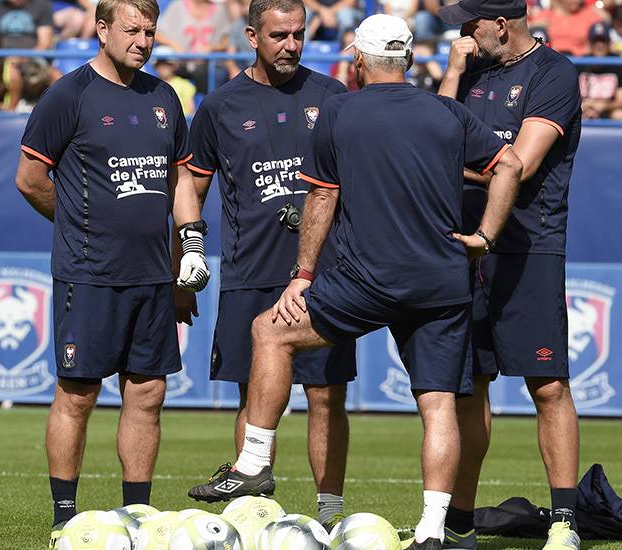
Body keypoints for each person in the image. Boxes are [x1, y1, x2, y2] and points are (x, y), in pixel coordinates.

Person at [188, 13, 522, 550]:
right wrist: (484, 236)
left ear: (360, 60)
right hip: (441, 280)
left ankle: (253, 463)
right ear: (409, 58)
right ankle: (434, 531)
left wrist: (302, 276)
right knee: (438, 406)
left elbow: (321, 197)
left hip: (366, 280)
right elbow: (510, 165)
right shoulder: (446, 113)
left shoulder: (340, 109)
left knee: (270, 333)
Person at [14, 0, 210, 547]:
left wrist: (189, 248)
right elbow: (30, 178)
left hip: (153, 276)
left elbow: (179, 182)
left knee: (147, 392)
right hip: (88, 273)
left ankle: (138, 516)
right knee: (77, 392)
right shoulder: (68, 95)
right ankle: (64, 515)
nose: (143, 41)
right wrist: (82, 223)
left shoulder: (164, 97)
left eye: (150, 31)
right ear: (101, 30)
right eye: (132, 30)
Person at [182, 0, 357, 530]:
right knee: (251, 395)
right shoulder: (220, 105)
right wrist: (186, 252)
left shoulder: (332, 96)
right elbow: (191, 185)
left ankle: (330, 515)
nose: (291, 46)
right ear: (252, 36)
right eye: (279, 35)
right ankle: (251, 513)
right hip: (249, 271)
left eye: (298, 35)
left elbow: (357, 178)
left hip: (321, 276)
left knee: (326, 396)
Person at [437, 0, 583, 549]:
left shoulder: (555, 73)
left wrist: (449, 163)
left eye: (469, 24)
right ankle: (460, 525)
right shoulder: (469, 70)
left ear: (500, 23)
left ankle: (565, 523)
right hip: (461, 245)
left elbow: (519, 165)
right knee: (468, 390)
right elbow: (431, 134)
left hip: (528, 248)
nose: (463, 35)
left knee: (547, 385)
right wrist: (451, 73)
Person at [0, 0, 54, 110]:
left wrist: (23, 58)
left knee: (57, 77)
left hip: (34, 58)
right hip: (3, 59)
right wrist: (5, 58)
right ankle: (12, 110)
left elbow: (44, 44)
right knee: (12, 72)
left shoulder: (42, 5)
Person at [577, 22, 622, 120]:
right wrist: (583, 106)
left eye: (603, 41)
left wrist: (604, 106)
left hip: (608, 109)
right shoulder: (579, 64)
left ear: (609, 44)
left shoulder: (619, 64)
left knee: (621, 115)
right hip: (583, 108)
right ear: (589, 44)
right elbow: (569, 96)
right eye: (595, 41)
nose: (599, 45)